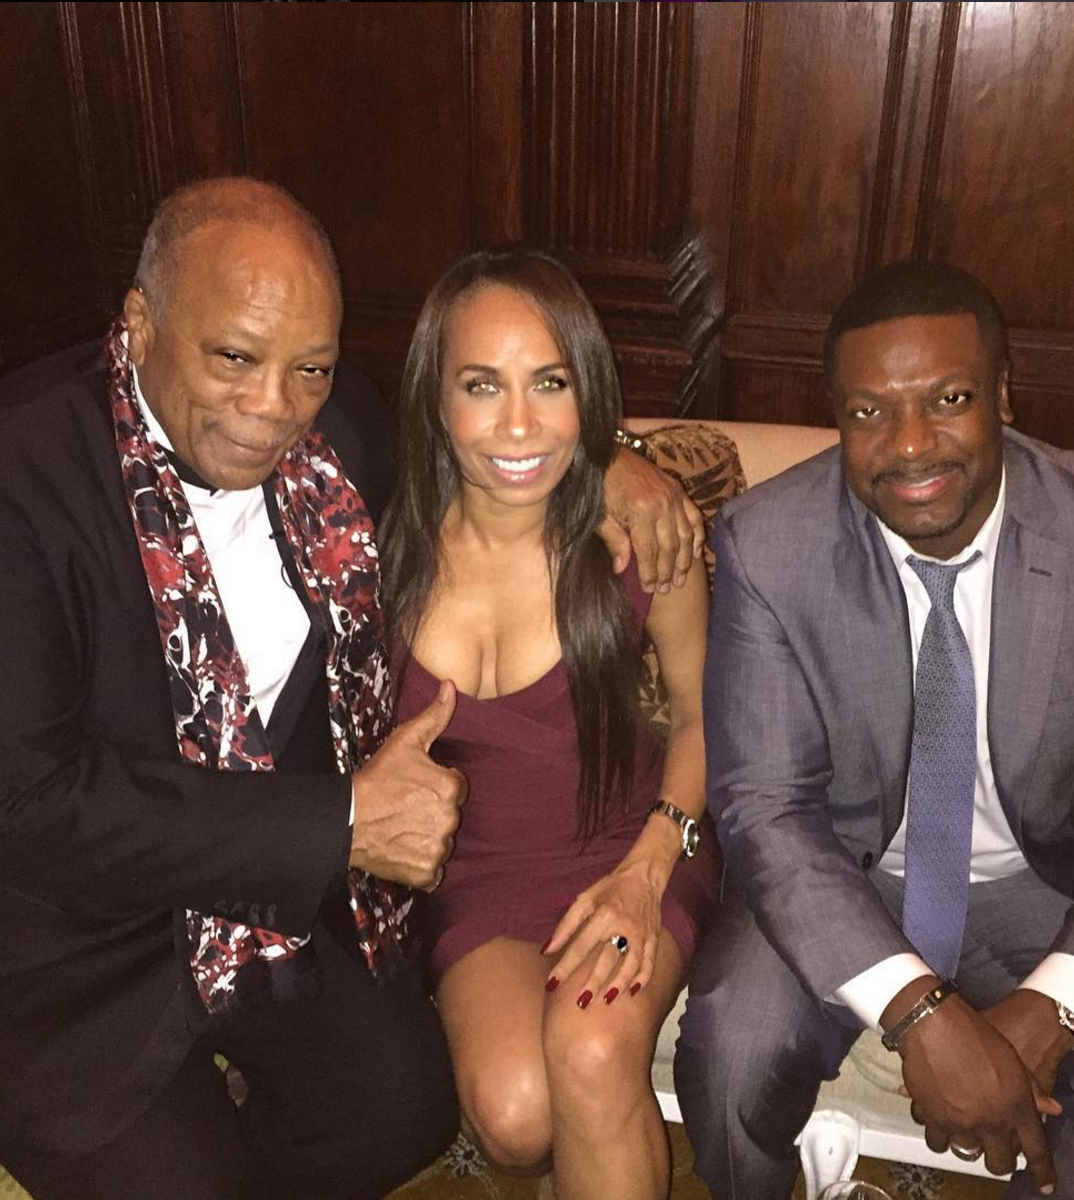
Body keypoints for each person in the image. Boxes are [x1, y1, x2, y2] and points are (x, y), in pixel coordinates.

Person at [0, 178, 704, 1200]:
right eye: (233, 358)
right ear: (141, 322)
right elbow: (27, 805)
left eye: (309, 368)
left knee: (404, 1112)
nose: (271, 409)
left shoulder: (343, 438)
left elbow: (499, 440)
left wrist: (618, 461)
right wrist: (340, 821)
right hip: (82, 954)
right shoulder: (21, 479)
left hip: (273, 911)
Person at [675, 261, 1074, 1200]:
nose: (910, 445)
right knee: (731, 1047)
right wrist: (919, 1011)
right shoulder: (769, 543)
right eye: (869, 412)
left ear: (1002, 394)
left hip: (1041, 884)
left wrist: (1053, 1009)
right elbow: (765, 807)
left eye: (948, 399)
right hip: (843, 871)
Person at [381, 248, 721, 1200]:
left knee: (591, 1048)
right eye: (481, 385)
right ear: (435, 398)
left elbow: (704, 718)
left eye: (550, 382)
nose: (520, 424)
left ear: (587, 391)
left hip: (639, 841)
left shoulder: (641, 543)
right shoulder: (375, 544)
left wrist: (646, 873)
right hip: (479, 874)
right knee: (515, 1117)